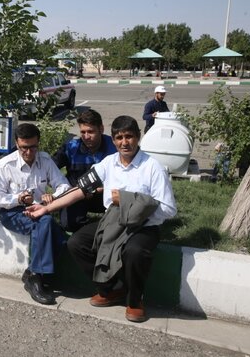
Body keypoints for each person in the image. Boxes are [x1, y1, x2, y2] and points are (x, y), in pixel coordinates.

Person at [24, 116, 177, 322]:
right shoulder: (108, 163)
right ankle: (112, 289)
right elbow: (79, 190)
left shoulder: (152, 167)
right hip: (112, 223)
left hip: (143, 227)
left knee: (134, 250)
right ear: (113, 140)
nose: (124, 142)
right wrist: (46, 208)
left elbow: (168, 208)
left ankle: (135, 300)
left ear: (138, 137)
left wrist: (131, 206)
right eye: (119, 137)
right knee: (77, 243)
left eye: (129, 137)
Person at [0, 123, 71, 305]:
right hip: (13, 212)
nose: (29, 152)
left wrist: (52, 197)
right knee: (48, 226)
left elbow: (64, 185)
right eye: (24, 148)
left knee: (61, 238)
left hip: (41, 209)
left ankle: (33, 274)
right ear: (17, 144)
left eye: (33, 147)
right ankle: (37, 277)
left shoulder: (45, 160)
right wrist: (18, 199)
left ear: (38, 143)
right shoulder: (5, 165)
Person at [52, 109, 117, 232]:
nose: (86, 137)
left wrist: (101, 188)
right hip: (77, 195)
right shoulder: (71, 148)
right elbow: (49, 169)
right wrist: (62, 187)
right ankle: (89, 232)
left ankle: (107, 230)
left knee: (122, 221)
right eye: (83, 132)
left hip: (105, 194)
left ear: (101, 129)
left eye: (90, 132)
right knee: (68, 224)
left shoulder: (115, 147)